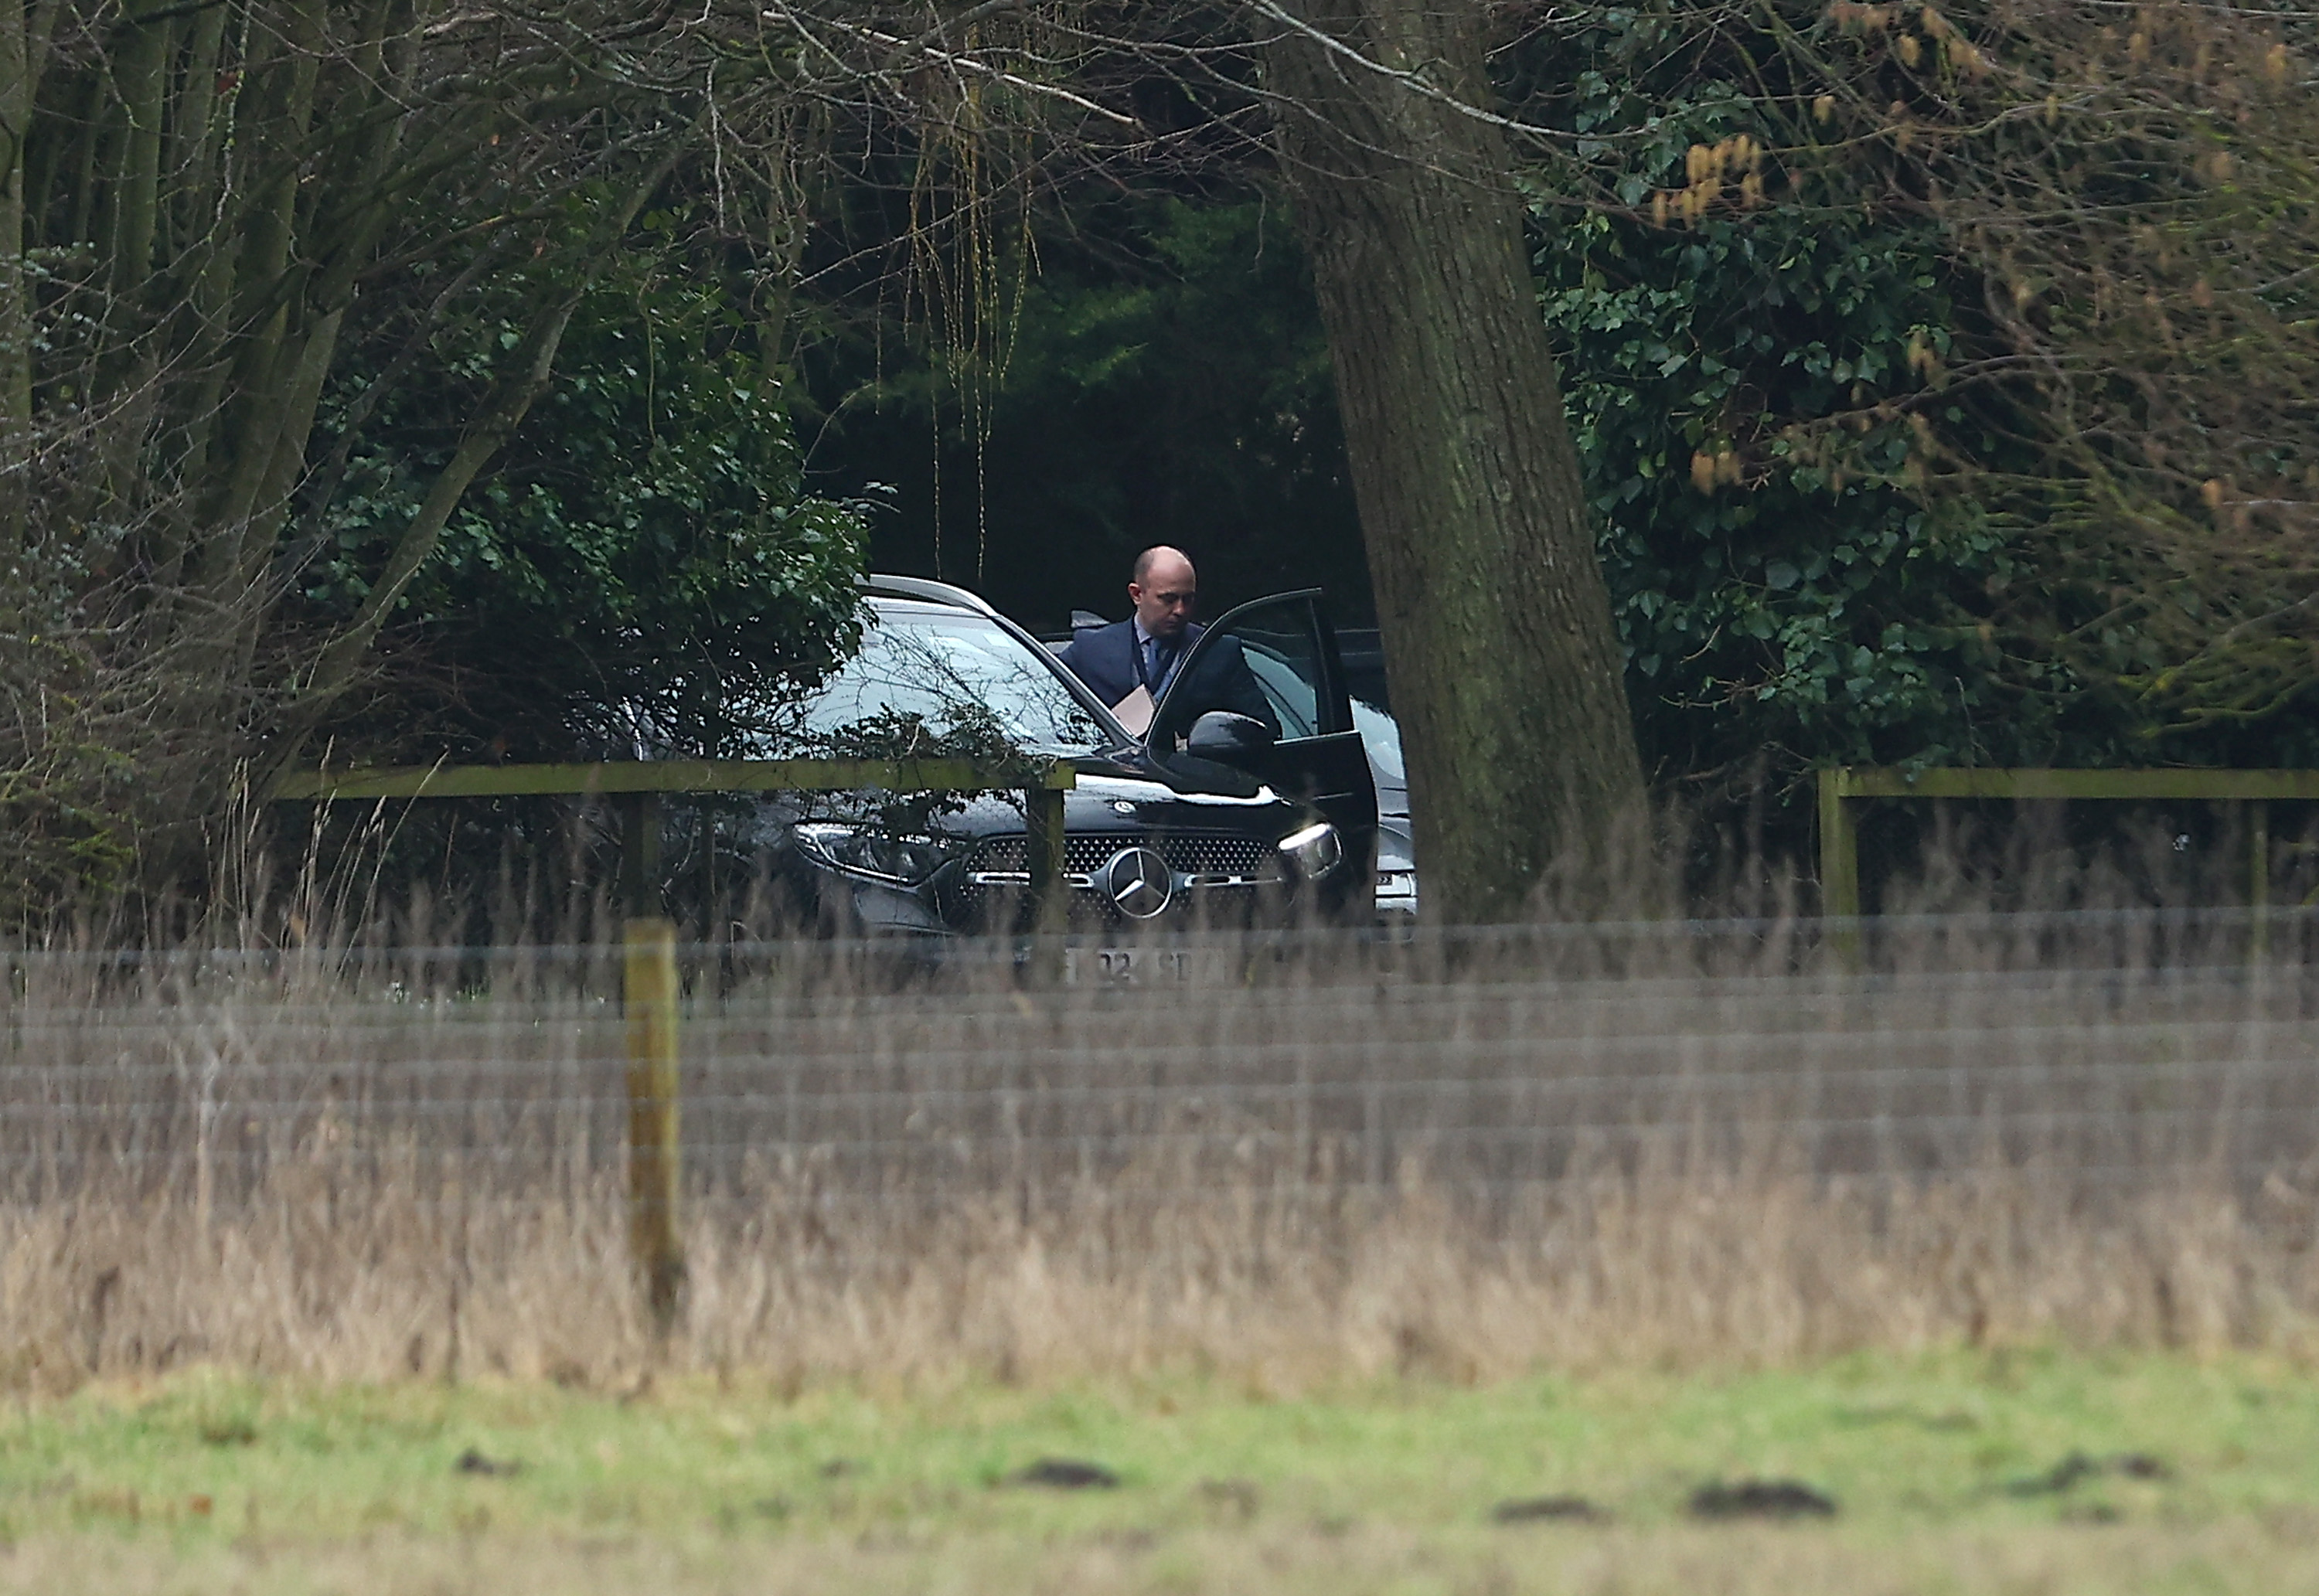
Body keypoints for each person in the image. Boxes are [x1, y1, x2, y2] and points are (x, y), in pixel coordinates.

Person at [1058, 546, 1278, 739]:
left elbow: (1265, 728)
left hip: (1191, 779)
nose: (1180, 610)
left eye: (1188, 599)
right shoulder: (1090, 650)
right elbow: (1050, 719)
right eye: (1168, 599)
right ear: (1137, 594)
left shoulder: (1217, 651)